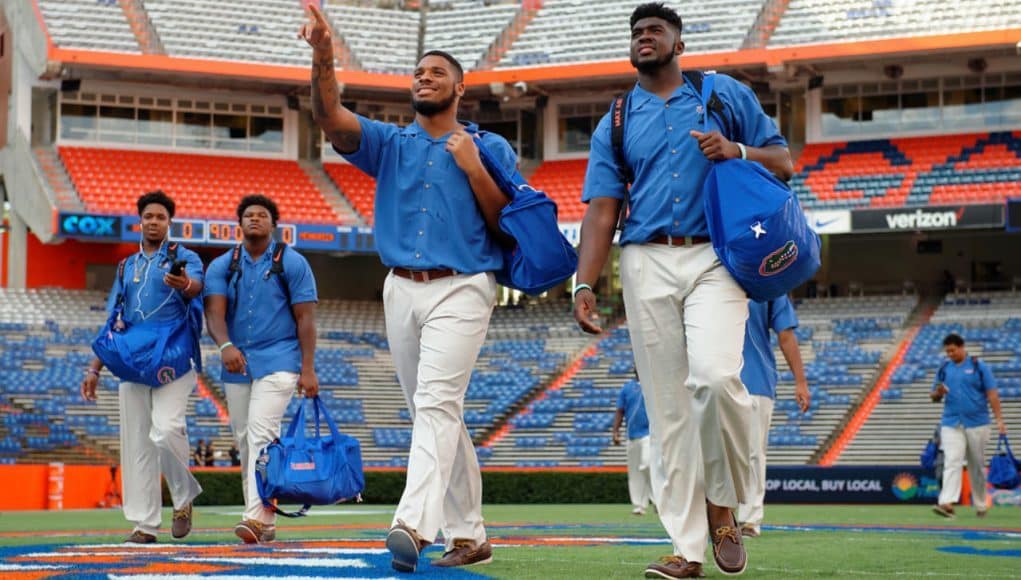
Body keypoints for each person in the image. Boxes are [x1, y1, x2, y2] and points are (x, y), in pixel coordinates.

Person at [572, 3, 792, 577]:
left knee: (717, 379)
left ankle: (727, 506)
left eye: (655, 31)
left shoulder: (721, 94)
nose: (645, 38)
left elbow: (784, 161)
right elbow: (601, 210)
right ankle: (689, 548)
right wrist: (584, 284)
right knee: (669, 412)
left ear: (679, 43)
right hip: (644, 259)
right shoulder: (616, 118)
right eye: (638, 33)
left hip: (717, 256)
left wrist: (736, 150)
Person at [301, 4, 515, 572]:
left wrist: (474, 168)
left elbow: (505, 223)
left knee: (436, 403)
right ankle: (470, 535)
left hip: (462, 285)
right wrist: (324, 57)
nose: (424, 77)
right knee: (436, 413)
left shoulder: (489, 148)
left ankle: (413, 526)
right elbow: (330, 117)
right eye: (418, 72)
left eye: (436, 72)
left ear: (460, 88)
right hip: (399, 288)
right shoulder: (389, 143)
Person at [80, 190, 204, 544]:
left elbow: (197, 286)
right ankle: (144, 525)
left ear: (169, 222)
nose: (153, 222)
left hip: (173, 358)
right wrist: (94, 368)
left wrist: (185, 285)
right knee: (137, 445)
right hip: (131, 361)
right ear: (140, 220)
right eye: (148, 216)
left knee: (165, 431)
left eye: (160, 217)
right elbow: (112, 322)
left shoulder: (186, 257)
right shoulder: (126, 266)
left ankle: (182, 501)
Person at [204, 194, 320, 544]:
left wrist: (308, 369)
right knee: (245, 440)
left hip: (280, 358)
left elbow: (306, 318)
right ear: (239, 224)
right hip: (237, 361)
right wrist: (225, 346)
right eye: (248, 215)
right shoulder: (223, 265)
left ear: (274, 224)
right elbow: (214, 313)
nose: (255, 219)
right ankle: (265, 521)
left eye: (262, 215)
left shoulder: (294, 262)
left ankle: (254, 517)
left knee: (261, 433)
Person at [736, 296, 810, 537]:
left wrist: (800, 381)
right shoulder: (712, 273)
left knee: (753, 452)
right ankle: (719, 514)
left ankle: (749, 518)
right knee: (717, 453)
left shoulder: (770, 282)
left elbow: (785, 334)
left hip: (755, 379)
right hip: (715, 379)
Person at [930, 333, 1006, 519]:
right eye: (947, 351)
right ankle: (946, 503)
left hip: (978, 423)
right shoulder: (944, 369)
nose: (950, 354)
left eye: (953, 350)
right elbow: (934, 397)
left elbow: (992, 394)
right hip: (951, 422)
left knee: (977, 466)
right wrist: (938, 393)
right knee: (952, 461)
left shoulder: (979, 367)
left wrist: (999, 419)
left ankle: (981, 505)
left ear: (962, 347)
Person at [612, 378, 660, 515]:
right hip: (632, 435)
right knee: (635, 473)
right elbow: (620, 411)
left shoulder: (653, 384)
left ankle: (658, 499)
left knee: (647, 464)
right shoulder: (627, 387)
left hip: (649, 433)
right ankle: (639, 505)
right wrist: (615, 431)